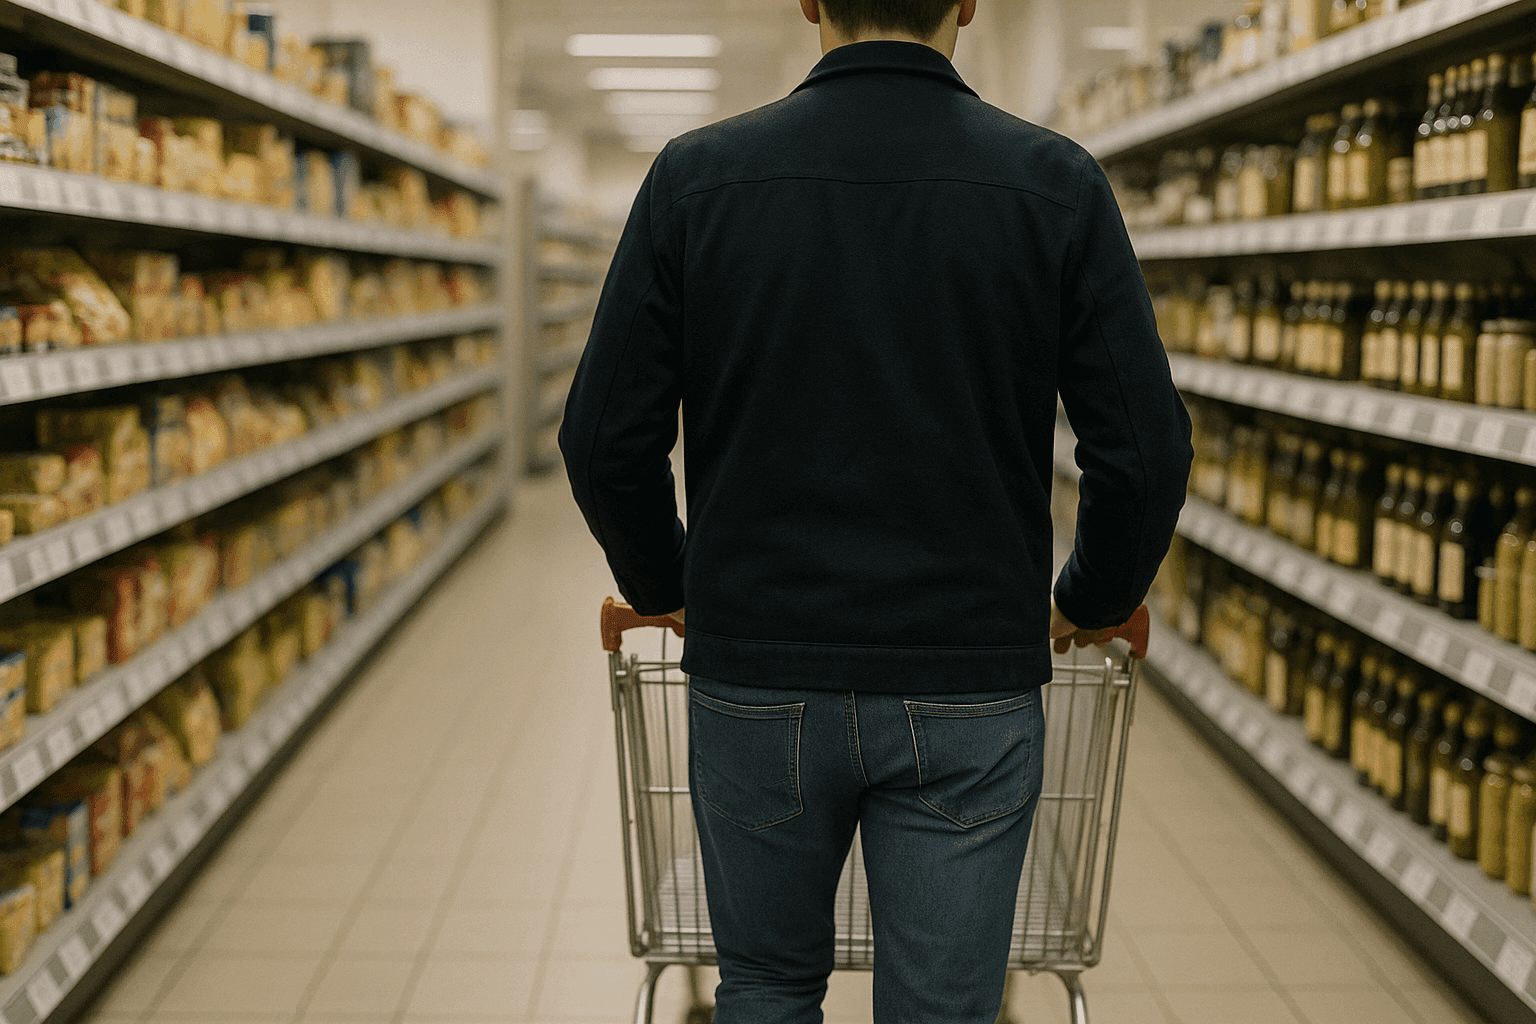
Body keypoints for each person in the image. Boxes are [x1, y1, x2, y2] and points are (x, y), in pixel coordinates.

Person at [560, 0, 1193, 1020]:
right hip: (969, 681)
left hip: (758, 671)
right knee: (944, 1004)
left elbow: (600, 438)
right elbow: (1146, 450)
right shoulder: (1055, 184)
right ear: (971, 1)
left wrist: (668, 587)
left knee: (765, 981)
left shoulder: (697, 178)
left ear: (808, 0)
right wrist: (1090, 597)